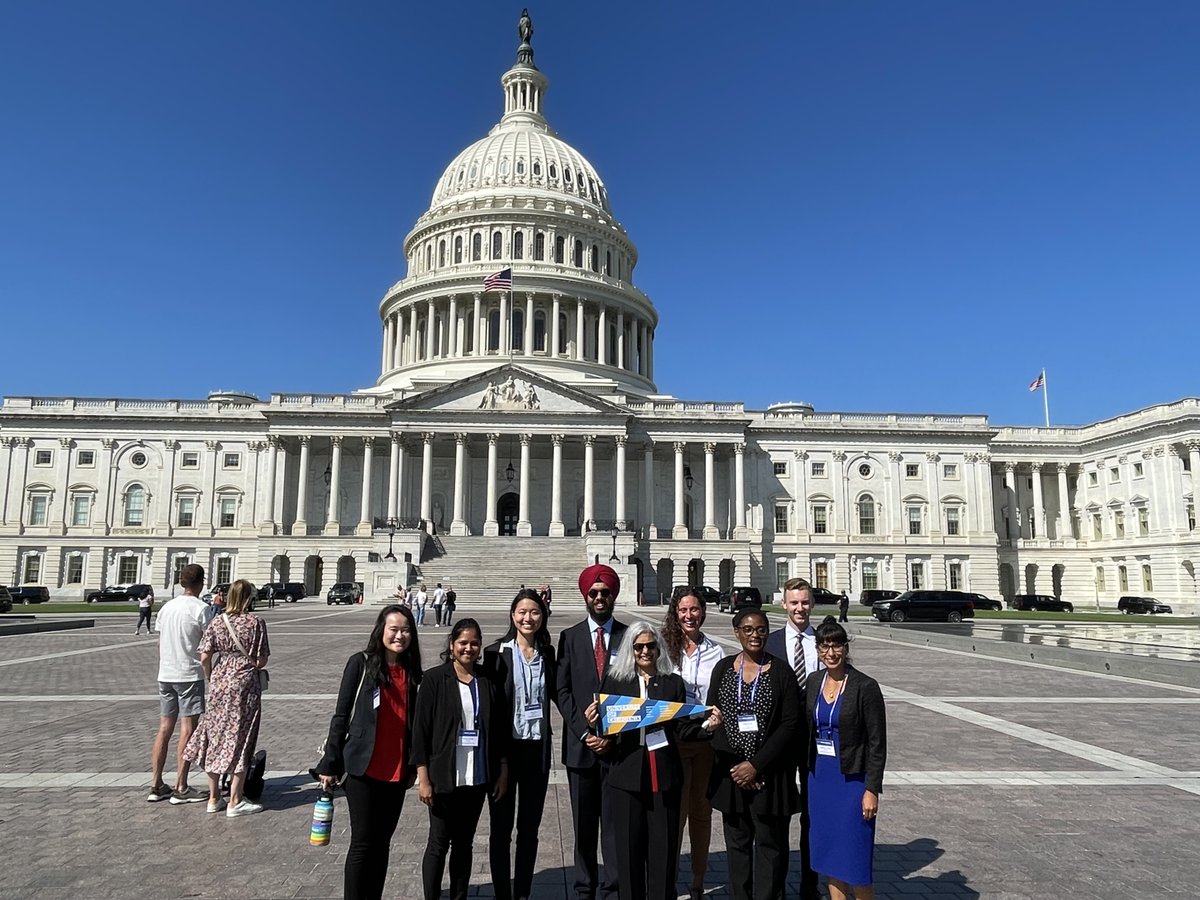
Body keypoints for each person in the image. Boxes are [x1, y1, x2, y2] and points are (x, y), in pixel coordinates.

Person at [584, 620, 716, 900]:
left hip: (664, 776)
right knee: (628, 852)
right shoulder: (616, 681)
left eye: (651, 646)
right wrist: (593, 723)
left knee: (663, 852)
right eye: (639, 647)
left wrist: (708, 726)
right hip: (627, 774)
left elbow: (683, 729)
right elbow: (605, 729)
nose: (645, 652)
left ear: (659, 649)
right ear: (630, 650)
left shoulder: (672, 683)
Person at [315, 604, 423, 900]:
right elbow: (341, 715)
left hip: (398, 769)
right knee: (363, 841)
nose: (400, 635)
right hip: (362, 767)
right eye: (394, 629)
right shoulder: (360, 663)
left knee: (383, 842)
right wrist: (330, 762)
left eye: (405, 630)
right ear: (381, 630)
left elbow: (415, 723)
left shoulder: (413, 671)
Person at [707, 607, 802, 900]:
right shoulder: (723, 669)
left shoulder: (782, 671)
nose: (755, 635)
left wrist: (755, 765)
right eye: (747, 629)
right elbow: (714, 716)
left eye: (761, 629)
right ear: (737, 633)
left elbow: (789, 725)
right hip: (732, 774)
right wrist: (739, 767)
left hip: (769, 776)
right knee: (737, 847)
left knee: (770, 847)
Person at [413, 618, 510, 900]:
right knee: (438, 843)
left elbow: (499, 729)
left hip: (477, 775)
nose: (469, 648)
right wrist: (423, 778)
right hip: (444, 775)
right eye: (463, 643)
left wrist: (502, 769)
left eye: (474, 643)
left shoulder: (488, 679)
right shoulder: (433, 679)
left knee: (464, 844)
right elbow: (421, 731)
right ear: (452, 645)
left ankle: (459, 896)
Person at [556, 563, 627, 900]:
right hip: (581, 748)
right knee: (583, 827)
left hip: (618, 747)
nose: (600, 598)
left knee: (615, 825)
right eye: (594, 593)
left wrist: (613, 732)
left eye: (605, 593)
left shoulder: (630, 636)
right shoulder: (569, 637)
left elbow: (638, 690)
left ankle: (614, 886)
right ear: (585, 596)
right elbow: (562, 690)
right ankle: (585, 886)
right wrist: (585, 731)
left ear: (614, 595)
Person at [805, 617, 887, 900]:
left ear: (845, 648)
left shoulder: (865, 686)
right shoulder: (814, 682)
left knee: (855, 858)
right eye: (825, 646)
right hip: (821, 779)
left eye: (836, 645)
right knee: (830, 856)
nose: (831, 653)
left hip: (852, 780)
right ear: (817, 650)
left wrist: (871, 789)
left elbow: (877, 742)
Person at [484, 588, 557, 900]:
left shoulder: (548, 654)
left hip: (536, 751)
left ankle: (523, 892)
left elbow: (563, 694)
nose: (528, 618)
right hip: (505, 753)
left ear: (542, 616)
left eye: (535, 612)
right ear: (512, 615)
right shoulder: (494, 654)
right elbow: (487, 711)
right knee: (500, 831)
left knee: (529, 830)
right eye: (522, 612)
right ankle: (503, 892)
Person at [183, 579, 270, 817]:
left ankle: (213, 798)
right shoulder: (255, 622)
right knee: (242, 739)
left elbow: (204, 656)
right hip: (245, 685)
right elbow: (262, 660)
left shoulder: (217, 621)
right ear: (249, 598)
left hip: (220, 683)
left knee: (215, 736)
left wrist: (213, 676)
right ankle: (235, 799)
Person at [661, 586, 725, 899]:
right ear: (675, 613)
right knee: (674, 815)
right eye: (683, 610)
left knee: (701, 813)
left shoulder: (716, 651)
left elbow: (720, 695)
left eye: (695, 610)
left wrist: (717, 718)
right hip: (672, 740)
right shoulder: (662, 648)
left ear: (703, 611)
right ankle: (668, 878)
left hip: (703, 742)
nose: (689, 616)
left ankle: (698, 880)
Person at [765, 576, 823, 900]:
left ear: (811, 605)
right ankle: (777, 884)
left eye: (804, 602)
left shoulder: (824, 643)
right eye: (794, 603)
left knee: (812, 817)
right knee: (779, 814)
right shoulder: (771, 643)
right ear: (783, 604)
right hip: (781, 741)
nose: (799, 608)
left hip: (816, 741)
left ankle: (809, 885)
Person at [147, 563, 214, 804]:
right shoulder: (201, 609)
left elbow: (159, 642)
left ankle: (156, 784)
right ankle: (181, 786)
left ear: (181, 582)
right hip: (189, 674)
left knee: (164, 728)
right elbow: (208, 646)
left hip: (166, 674)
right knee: (188, 729)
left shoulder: (166, 608)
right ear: (201, 583)